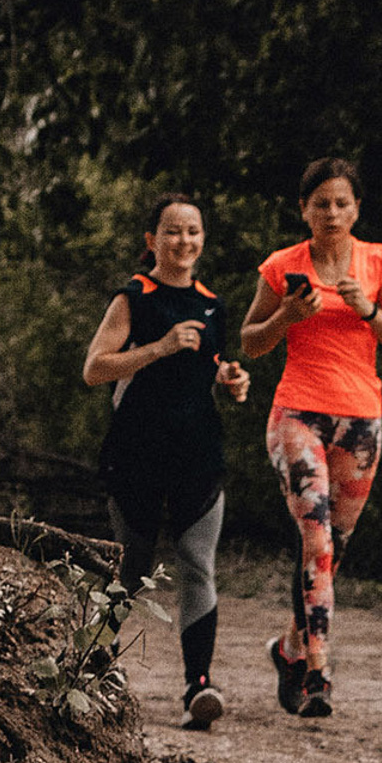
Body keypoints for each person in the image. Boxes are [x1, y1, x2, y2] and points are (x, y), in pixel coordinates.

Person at [239, 156, 382, 719]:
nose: (333, 213)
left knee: (331, 551)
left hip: (362, 420)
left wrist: (368, 310)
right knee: (315, 541)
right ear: (304, 210)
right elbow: (251, 341)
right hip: (298, 415)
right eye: (322, 204)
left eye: (343, 203)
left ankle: (289, 647)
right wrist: (287, 316)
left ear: (357, 208)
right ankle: (318, 673)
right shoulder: (283, 265)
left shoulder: (380, 262)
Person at [82, 194, 250, 729]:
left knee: (198, 564)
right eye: (172, 232)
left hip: (197, 451)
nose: (184, 242)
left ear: (204, 239)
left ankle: (198, 687)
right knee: (130, 566)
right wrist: (158, 347)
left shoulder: (211, 304)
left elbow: (214, 364)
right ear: (151, 240)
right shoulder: (134, 298)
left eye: (193, 232)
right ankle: (88, 673)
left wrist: (231, 379)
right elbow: (95, 369)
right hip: (137, 452)